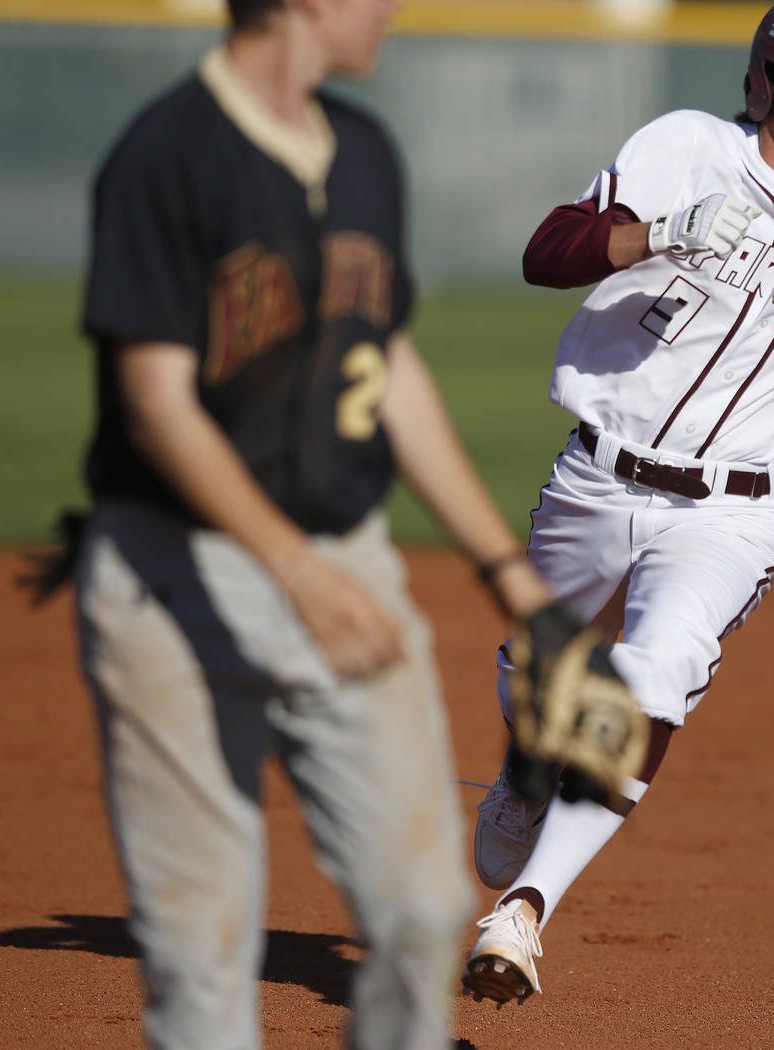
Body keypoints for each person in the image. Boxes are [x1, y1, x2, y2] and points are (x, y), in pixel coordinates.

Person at [53, 1, 563, 1047]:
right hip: (174, 582)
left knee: (424, 913)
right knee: (204, 960)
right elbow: (156, 401)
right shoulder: (169, 152)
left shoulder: (367, 150)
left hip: (347, 566)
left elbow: (391, 365)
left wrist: (514, 579)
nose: (393, 8)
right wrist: (290, 568)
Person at [461, 0, 774, 1007]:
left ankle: (525, 913)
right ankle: (524, 768)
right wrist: (655, 235)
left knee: (657, 670)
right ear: (768, 79)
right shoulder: (684, 147)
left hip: (739, 508)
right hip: (599, 475)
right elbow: (544, 252)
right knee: (537, 676)